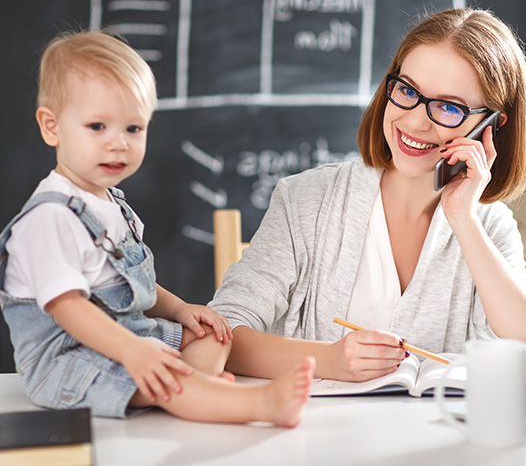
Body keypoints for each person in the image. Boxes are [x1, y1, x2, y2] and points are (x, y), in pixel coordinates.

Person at [209, 8, 526, 382]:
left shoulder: (487, 224)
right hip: (311, 435)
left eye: (448, 107)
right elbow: (221, 332)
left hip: (429, 439)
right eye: (407, 90)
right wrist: (328, 361)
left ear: (491, 126)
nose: (414, 121)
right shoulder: (304, 200)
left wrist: (462, 218)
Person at [0, 30, 314, 426]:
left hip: (128, 334)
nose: (119, 144)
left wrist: (180, 309)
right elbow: (70, 308)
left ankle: (197, 389)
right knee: (168, 377)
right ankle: (252, 405)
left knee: (214, 335)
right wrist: (134, 352)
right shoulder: (48, 219)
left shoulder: (113, 205)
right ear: (52, 127)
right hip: (69, 359)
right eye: (97, 126)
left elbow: (136, 287)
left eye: (133, 128)